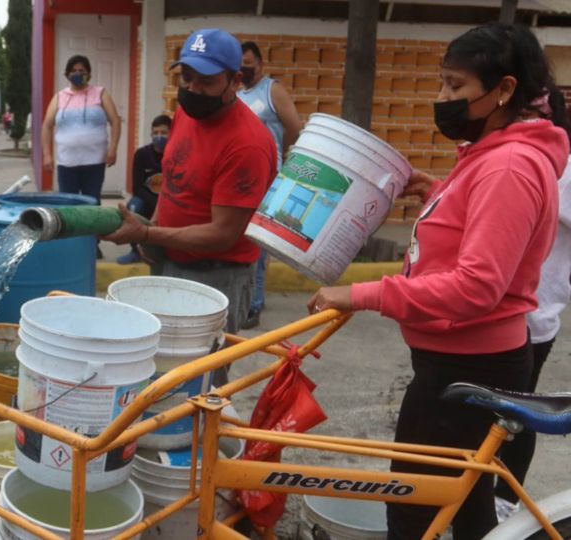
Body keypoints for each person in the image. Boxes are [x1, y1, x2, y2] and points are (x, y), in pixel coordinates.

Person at [306, 23, 570, 539]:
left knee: (413, 512)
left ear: (504, 90)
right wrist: (442, 191)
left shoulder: (509, 165)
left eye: (455, 86)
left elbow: (477, 286)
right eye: (442, 83)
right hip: (459, 360)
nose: (442, 98)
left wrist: (364, 294)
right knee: (461, 506)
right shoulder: (493, 154)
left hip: (468, 367)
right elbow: (480, 219)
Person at [103, 28, 277, 340]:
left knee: (202, 379)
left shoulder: (248, 144)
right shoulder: (186, 112)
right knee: (156, 368)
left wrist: (146, 232)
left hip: (216, 278)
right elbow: (173, 179)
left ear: (235, 81)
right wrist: (153, 234)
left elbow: (222, 234)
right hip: (170, 260)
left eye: (206, 81)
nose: (192, 88)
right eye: (187, 76)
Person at [494, 157, 571, 521]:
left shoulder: (563, 170)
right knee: (489, 413)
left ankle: (504, 500)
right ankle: (482, 495)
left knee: (516, 413)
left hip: (533, 316)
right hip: (508, 311)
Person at [238, 41, 304, 329]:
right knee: (242, 237)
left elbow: (294, 127)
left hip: (268, 175)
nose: (244, 69)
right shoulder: (237, 92)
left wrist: (280, 153)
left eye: (249, 64)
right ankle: (249, 295)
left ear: (261, 64)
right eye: (240, 65)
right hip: (241, 176)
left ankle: (254, 303)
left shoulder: (271, 89)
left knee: (258, 242)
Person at [41, 54, 122, 204]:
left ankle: (92, 228)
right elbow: (46, 126)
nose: (77, 74)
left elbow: (116, 121)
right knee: (67, 205)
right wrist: (46, 155)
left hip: (94, 162)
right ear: (67, 74)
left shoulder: (100, 93)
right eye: (73, 70)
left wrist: (113, 150)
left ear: (89, 74)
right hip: (67, 163)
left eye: (82, 70)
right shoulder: (59, 97)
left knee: (91, 204)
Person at [117, 114, 171, 264]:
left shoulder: (176, 154)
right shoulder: (142, 154)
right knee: (134, 206)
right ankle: (135, 250)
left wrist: (162, 205)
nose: (159, 137)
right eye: (155, 133)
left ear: (172, 133)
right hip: (148, 199)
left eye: (164, 133)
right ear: (151, 134)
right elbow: (136, 187)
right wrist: (155, 204)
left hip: (170, 200)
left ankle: (169, 251)